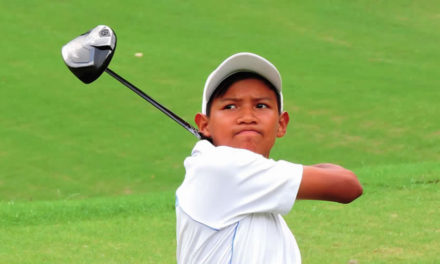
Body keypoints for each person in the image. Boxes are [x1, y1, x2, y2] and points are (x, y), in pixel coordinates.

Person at [175, 52, 363, 263]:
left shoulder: (250, 185)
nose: (247, 117)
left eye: (261, 106)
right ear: (204, 125)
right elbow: (348, 186)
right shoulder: (221, 168)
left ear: (281, 123)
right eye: (230, 106)